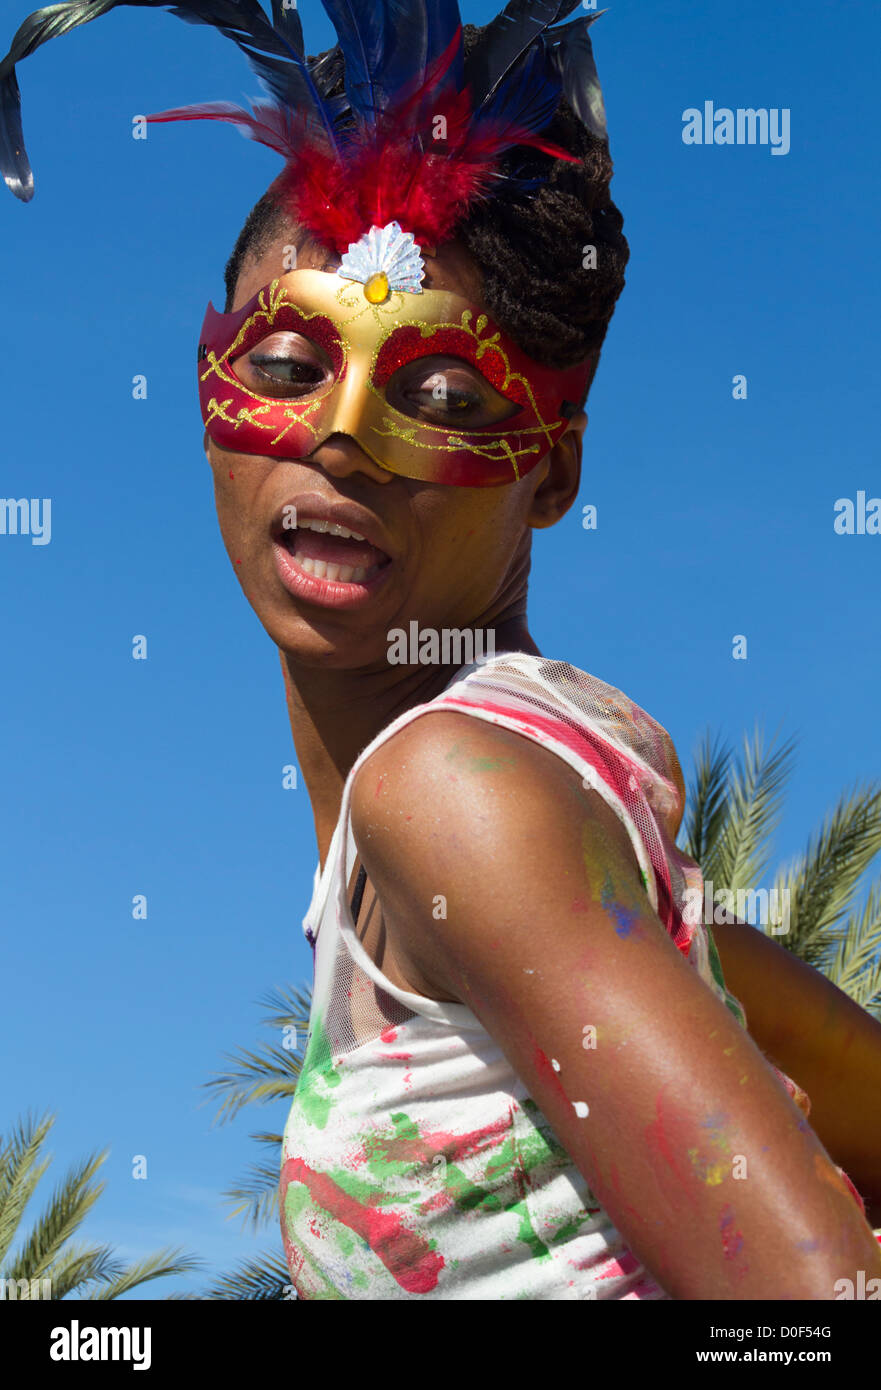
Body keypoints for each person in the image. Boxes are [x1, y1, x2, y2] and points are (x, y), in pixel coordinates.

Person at [4, 0, 880, 1301]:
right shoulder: (546, 829)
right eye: (290, 360)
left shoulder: (454, 792)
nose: (341, 436)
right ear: (206, 392)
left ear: (550, 466)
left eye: (441, 396)